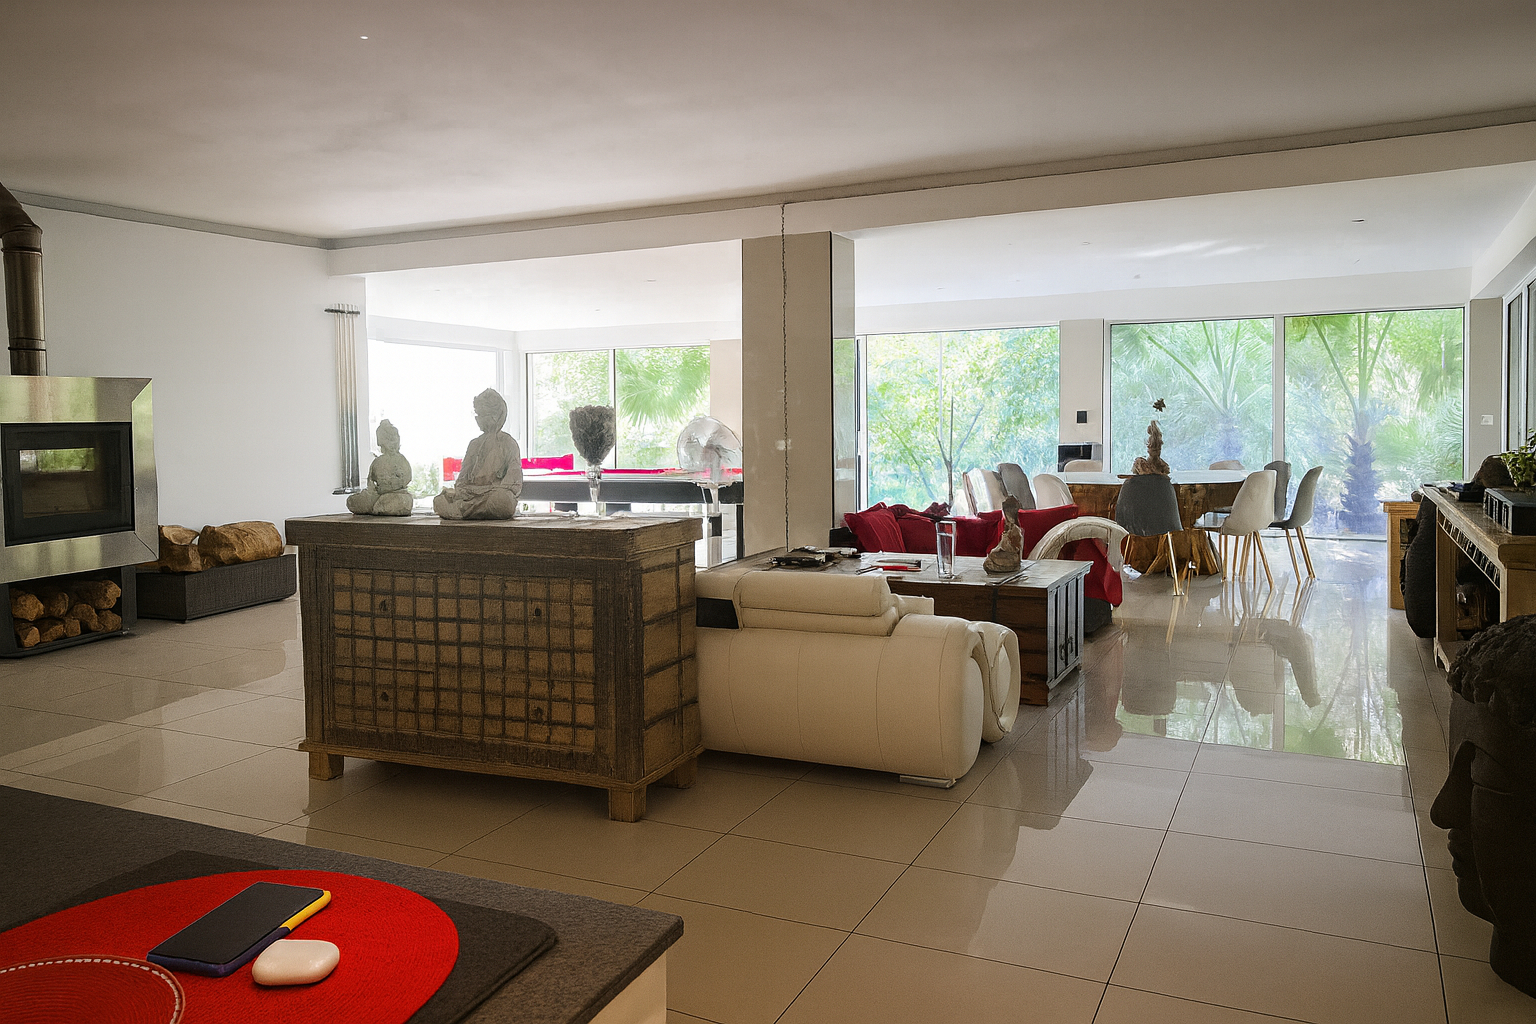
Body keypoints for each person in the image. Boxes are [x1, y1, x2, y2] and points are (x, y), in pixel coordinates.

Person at [433, 388, 522, 519]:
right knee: (440, 500)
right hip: (470, 495)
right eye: (477, 414)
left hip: (493, 495)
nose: (478, 419)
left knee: (503, 501)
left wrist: (489, 490)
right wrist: (463, 491)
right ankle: (467, 509)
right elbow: (462, 479)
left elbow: (514, 483)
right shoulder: (474, 444)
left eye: (482, 415)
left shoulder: (508, 443)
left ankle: (463, 511)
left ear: (496, 416)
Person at [347, 419, 414, 516]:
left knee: (399, 501)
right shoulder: (378, 461)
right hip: (378, 495)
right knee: (353, 501)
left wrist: (393, 482)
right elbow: (370, 483)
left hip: (397, 496)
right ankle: (377, 506)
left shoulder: (401, 460)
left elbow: (407, 479)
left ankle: (379, 506)